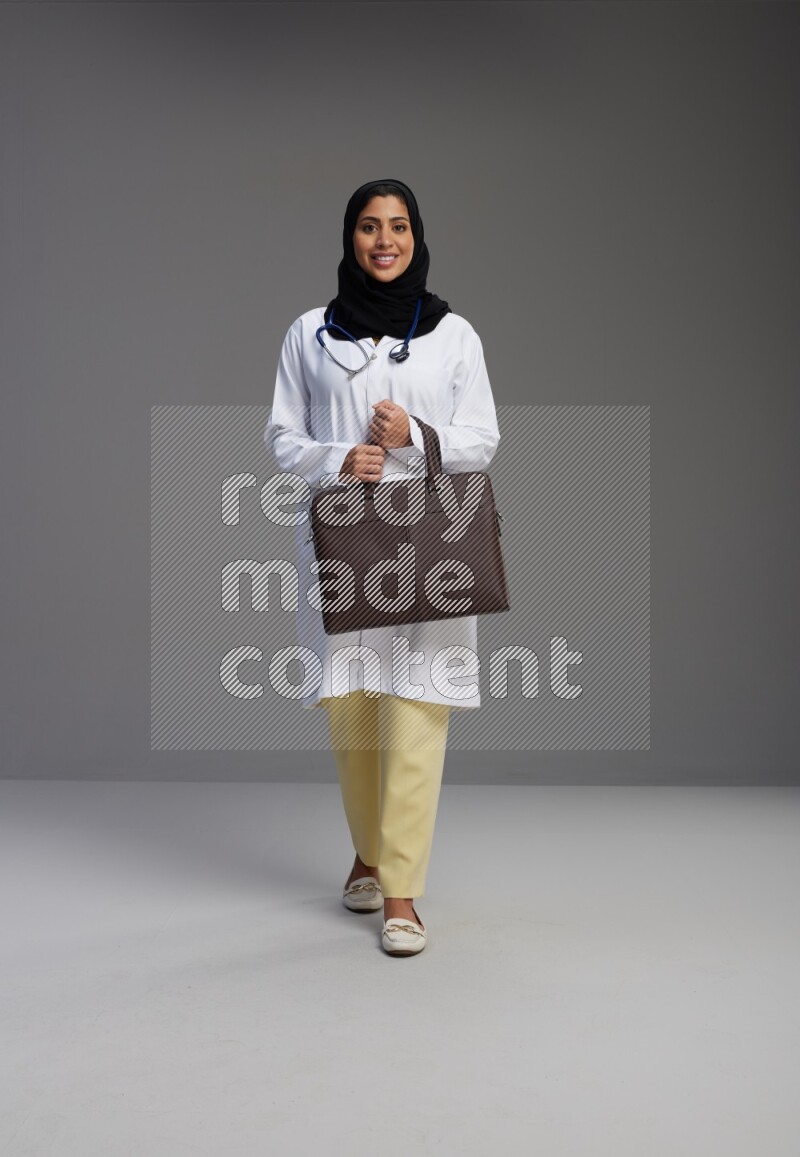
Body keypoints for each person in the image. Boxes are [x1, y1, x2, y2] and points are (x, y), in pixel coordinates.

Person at [264, 178, 500, 956]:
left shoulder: (454, 335)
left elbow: (482, 440)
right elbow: (282, 438)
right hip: (342, 537)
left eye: (397, 226)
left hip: (429, 541)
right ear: (350, 238)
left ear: (416, 235)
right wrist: (342, 457)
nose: (384, 240)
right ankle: (367, 850)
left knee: (417, 706)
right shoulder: (309, 333)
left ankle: (401, 888)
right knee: (353, 706)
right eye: (369, 226)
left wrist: (411, 435)